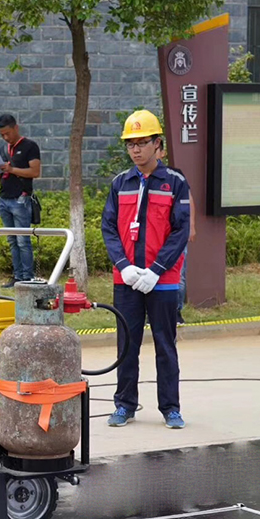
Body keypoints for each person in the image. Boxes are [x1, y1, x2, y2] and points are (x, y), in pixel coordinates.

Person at [101, 109, 190, 430]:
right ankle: (124, 405)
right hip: (126, 280)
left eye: (142, 142)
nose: (136, 149)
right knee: (127, 345)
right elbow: (109, 228)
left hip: (162, 280)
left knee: (165, 345)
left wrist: (156, 270)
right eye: (131, 144)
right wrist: (124, 267)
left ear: (158, 144)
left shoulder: (175, 183)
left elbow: (180, 231)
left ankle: (171, 408)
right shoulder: (120, 183)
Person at [0, 113, 41, 286]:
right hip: (4, 198)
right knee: (12, 240)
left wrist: (12, 169)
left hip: (21, 199)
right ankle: (17, 276)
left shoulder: (29, 146)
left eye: (8, 133)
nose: (6, 137)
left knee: (23, 241)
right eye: (2, 135)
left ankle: (27, 277)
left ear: (16, 128)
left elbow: (35, 172)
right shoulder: (3, 149)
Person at [154, 146, 197, 324]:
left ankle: (176, 312)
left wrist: (191, 226)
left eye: (156, 150)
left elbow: (188, 200)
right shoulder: (139, 177)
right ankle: (152, 313)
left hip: (176, 235)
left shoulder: (175, 176)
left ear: (162, 153)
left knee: (178, 274)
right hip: (154, 237)